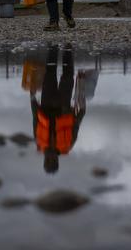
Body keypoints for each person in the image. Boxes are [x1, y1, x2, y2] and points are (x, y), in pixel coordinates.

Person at [29, 44, 87, 174]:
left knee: (49, 73)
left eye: (48, 161)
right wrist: (82, 110)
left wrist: (32, 98)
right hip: (63, 106)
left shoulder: (39, 142)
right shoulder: (68, 145)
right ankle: (67, 48)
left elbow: (35, 119)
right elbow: (76, 125)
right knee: (68, 75)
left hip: (46, 103)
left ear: (44, 160)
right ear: (57, 161)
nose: (50, 158)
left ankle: (53, 47)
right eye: (53, 161)